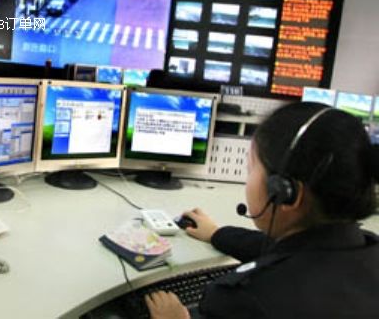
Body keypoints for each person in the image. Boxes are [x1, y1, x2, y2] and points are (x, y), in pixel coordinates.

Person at [146, 102, 379, 319]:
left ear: (286, 193)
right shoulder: (366, 248)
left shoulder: (243, 300)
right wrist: (216, 234)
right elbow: (287, 249)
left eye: (251, 168)